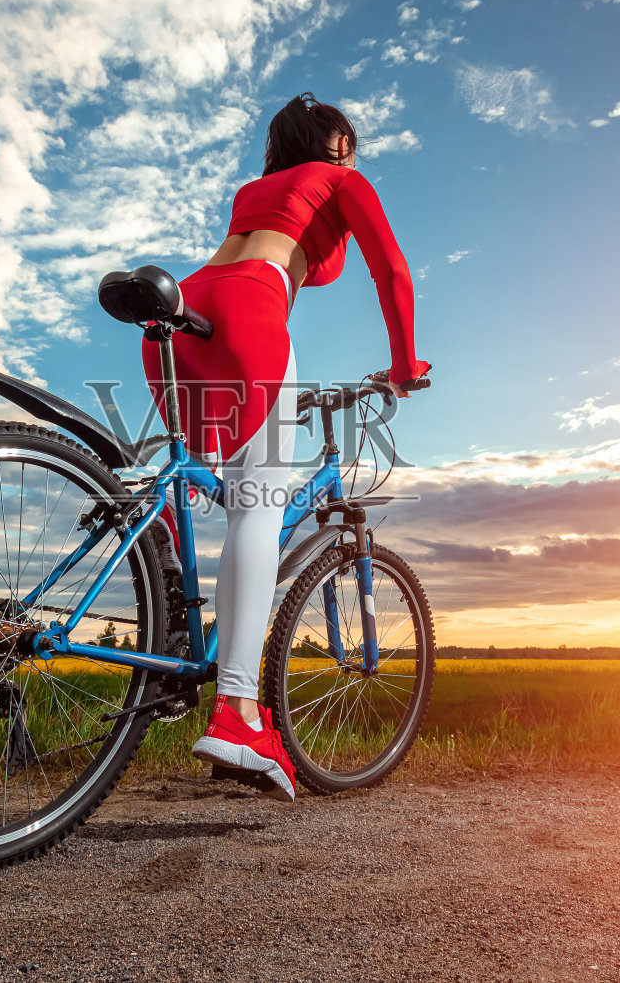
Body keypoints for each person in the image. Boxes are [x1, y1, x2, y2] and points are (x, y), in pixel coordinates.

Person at [140, 92, 431, 801]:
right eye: (349, 143)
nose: (354, 155)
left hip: (186, 309)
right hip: (249, 305)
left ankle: (173, 625)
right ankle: (238, 710)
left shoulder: (254, 192)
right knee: (259, 507)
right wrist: (404, 364)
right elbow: (390, 271)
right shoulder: (341, 180)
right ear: (336, 145)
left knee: (199, 476)